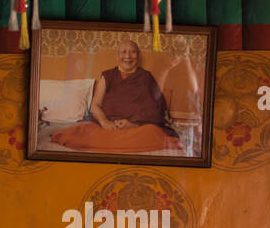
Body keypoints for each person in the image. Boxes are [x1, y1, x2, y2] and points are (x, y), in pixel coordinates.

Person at [52, 40, 182, 153]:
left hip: (137, 129)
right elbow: (94, 106)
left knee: (153, 132)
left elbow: (156, 108)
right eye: (123, 52)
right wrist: (104, 122)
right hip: (108, 127)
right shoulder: (108, 76)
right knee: (78, 131)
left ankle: (113, 141)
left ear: (138, 55)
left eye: (132, 52)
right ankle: (117, 141)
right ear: (117, 55)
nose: (128, 56)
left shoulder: (146, 77)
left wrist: (133, 125)